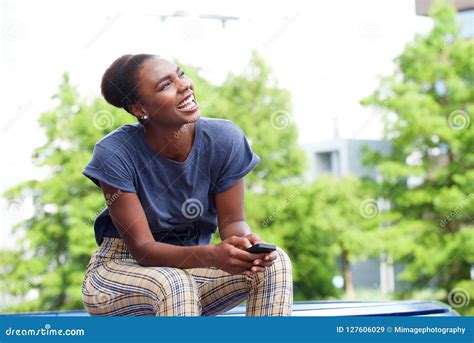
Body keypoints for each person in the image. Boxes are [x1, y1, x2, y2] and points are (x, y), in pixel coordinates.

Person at [81, 54, 293, 316]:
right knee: (175, 284)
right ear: (139, 109)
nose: (184, 85)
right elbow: (144, 251)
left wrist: (244, 246)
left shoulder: (224, 139)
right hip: (118, 272)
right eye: (165, 85)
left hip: (193, 270)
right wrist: (212, 256)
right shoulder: (115, 152)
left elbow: (232, 224)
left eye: (180, 74)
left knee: (273, 264)